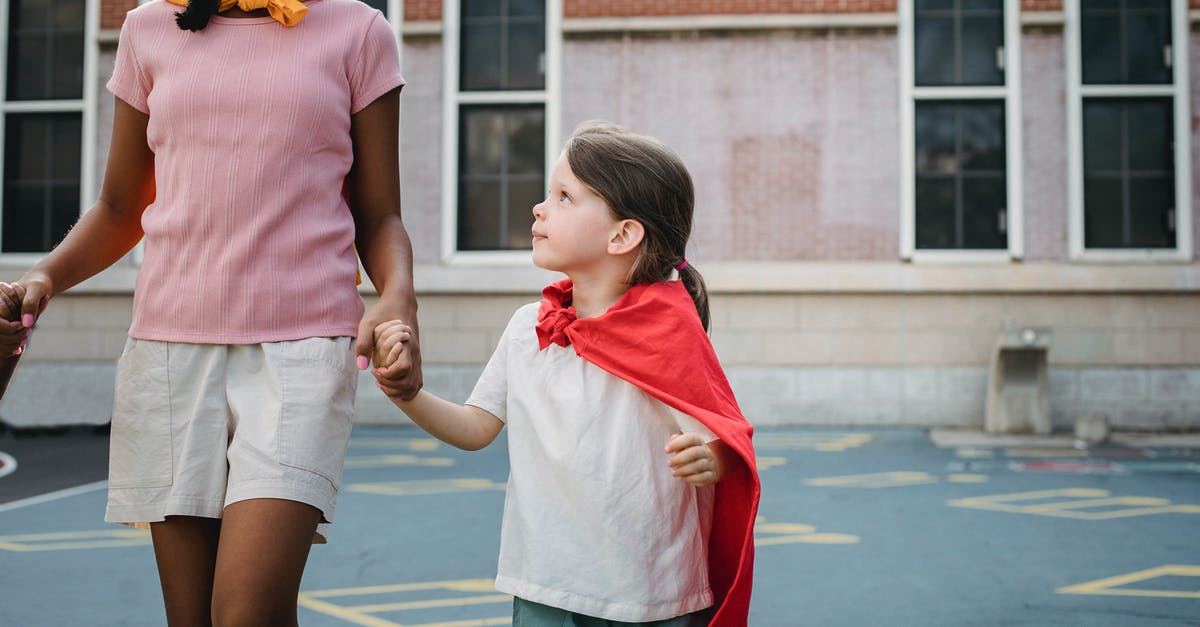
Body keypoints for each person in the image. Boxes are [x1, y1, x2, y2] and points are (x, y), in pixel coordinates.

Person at [8, 1, 423, 625]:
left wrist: (397, 298)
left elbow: (379, 213)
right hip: (168, 354)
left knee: (247, 615)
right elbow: (121, 207)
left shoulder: (359, 31)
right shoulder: (147, 28)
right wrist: (44, 275)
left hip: (303, 351)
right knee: (191, 618)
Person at [372, 121, 760, 627]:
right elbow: (475, 427)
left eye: (564, 197)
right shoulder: (526, 328)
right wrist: (408, 394)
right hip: (544, 583)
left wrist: (714, 459)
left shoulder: (667, 334)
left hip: (649, 594)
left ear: (623, 235)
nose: (539, 207)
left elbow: (728, 438)